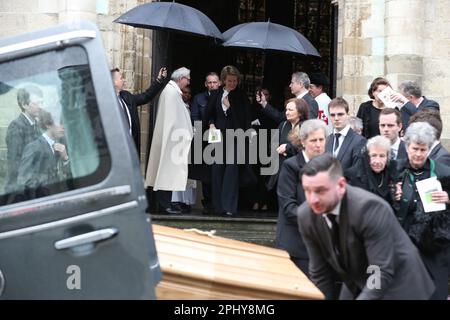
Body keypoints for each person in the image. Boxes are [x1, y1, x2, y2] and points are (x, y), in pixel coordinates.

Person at [297, 153, 435, 300]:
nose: (313, 199)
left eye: (320, 191)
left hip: (401, 285)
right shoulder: (306, 215)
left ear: (341, 185)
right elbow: (320, 273)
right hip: (358, 280)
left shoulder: (370, 209)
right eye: (307, 190)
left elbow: (380, 272)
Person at [395, 122, 450, 299]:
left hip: (435, 247)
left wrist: (448, 198)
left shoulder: (443, 172)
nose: (419, 154)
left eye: (423, 149)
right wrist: (393, 196)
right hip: (403, 244)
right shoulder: (395, 170)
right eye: (415, 149)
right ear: (406, 146)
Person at [276, 119, 327, 275]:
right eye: (313, 140)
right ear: (303, 142)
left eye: (321, 139)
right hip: (296, 245)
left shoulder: (330, 164)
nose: (318, 144)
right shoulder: (290, 166)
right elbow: (288, 207)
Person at [205, 65, 253, 216]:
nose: (233, 83)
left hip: (235, 138)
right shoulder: (216, 94)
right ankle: (218, 207)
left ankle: (229, 207)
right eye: (230, 81)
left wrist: (230, 107)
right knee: (217, 170)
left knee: (231, 173)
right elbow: (209, 113)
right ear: (223, 81)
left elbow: (244, 120)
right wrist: (211, 124)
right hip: (218, 138)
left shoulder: (241, 96)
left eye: (235, 81)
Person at [145, 67, 194, 213]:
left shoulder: (173, 92)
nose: (189, 81)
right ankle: (164, 204)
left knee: (170, 173)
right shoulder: (171, 93)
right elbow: (172, 120)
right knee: (166, 172)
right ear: (180, 79)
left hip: (173, 140)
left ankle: (167, 203)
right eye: (188, 78)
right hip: (171, 141)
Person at [111, 66, 167, 155]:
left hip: (132, 149)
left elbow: (146, 96)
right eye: (121, 78)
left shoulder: (126, 96)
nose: (124, 80)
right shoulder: (109, 103)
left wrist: (159, 80)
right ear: (114, 82)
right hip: (118, 151)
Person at [17, 109, 71, 199]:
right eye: (59, 123)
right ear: (48, 125)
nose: (63, 127)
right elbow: (23, 180)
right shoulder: (33, 147)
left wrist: (65, 158)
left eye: (64, 123)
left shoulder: (62, 144)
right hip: (43, 199)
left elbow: (69, 176)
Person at [190, 72, 221, 214]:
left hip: (222, 140)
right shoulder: (199, 98)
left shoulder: (225, 97)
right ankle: (208, 203)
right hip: (205, 141)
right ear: (205, 84)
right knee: (206, 174)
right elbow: (195, 118)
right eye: (210, 82)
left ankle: (219, 203)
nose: (212, 85)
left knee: (221, 171)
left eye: (215, 82)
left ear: (219, 83)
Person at [5, 85, 43, 194]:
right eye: (37, 103)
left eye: (42, 102)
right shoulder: (16, 127)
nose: (40, 106)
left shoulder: (36, 125)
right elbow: (15, 164)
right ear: (24, 104)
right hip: (23, 190)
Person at [266, 98, 309, 191]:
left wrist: (287, 147)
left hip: (299, 172)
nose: (287, 112)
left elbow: (306, 147)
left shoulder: (306, 127)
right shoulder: (283, 125)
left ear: (300, 112)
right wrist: (277, 150)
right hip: (281, 171)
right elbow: (272, 145)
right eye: (286, 110)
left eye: (290, 110)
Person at [345, 135, 400, 206]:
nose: (377, 161)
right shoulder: (353, 177)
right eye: (373, 155)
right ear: (367, 156)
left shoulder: (392, 173)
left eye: (382, 156)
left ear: (387, 157)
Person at [325, 97, 366, 171]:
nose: (336, 118)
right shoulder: (327, 140)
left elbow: (358, 172)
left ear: (348, 115)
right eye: (333, 115)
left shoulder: (359, 141)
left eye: (340, 114)